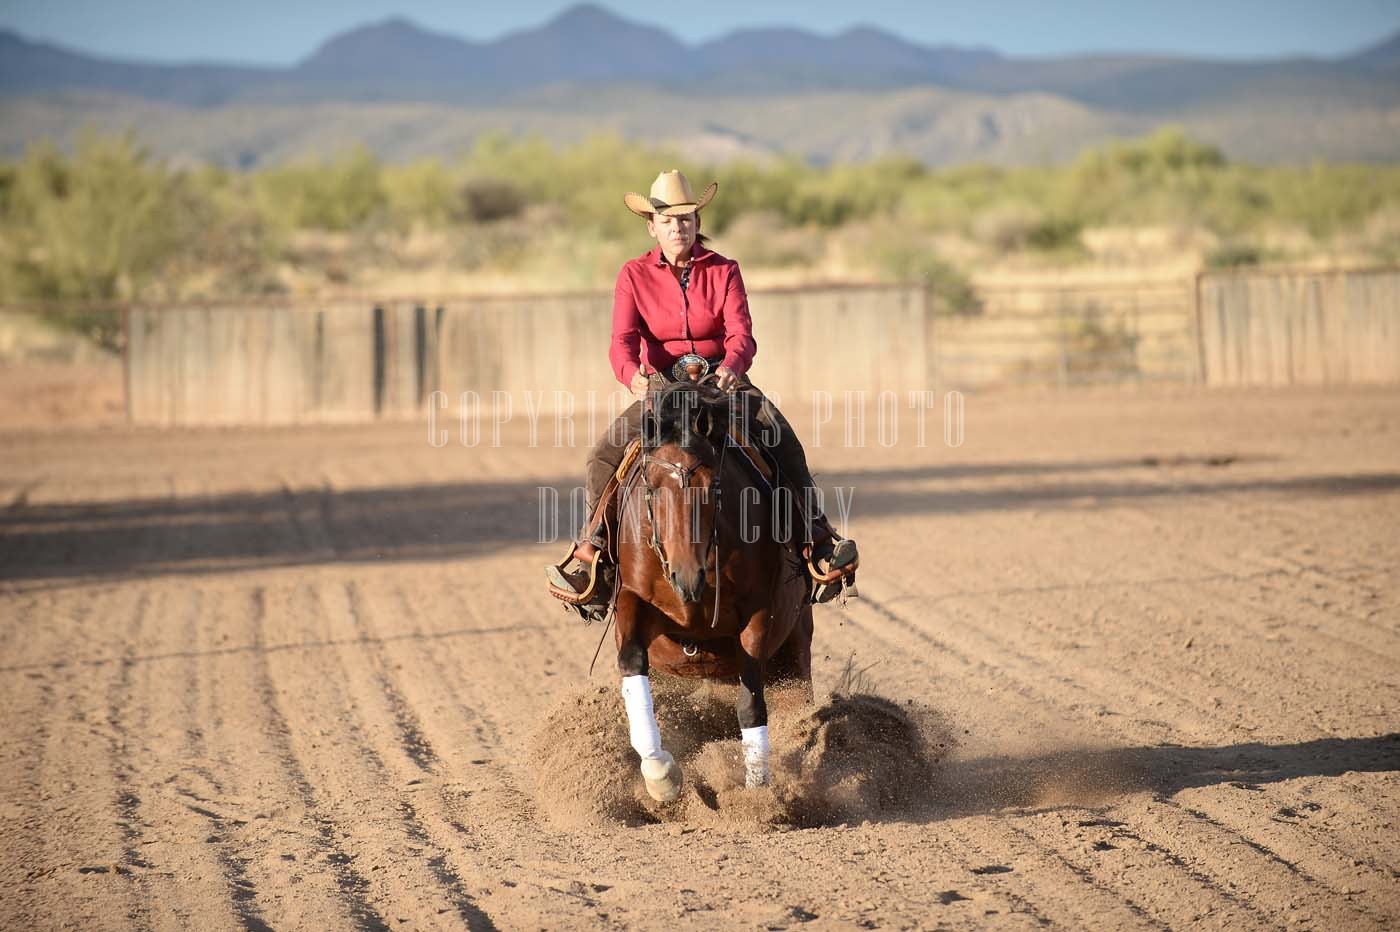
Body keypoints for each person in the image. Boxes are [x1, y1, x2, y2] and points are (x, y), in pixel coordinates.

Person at [545, 170, 858, 617]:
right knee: (602, 455)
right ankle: (593, 556)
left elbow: (741, 334)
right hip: (662, 389)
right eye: (668, 220)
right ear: (652, 227)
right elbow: (621, 342)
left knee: (782, 441)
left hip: (723, 384)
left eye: (686, 219)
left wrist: (732, 367)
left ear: (697, 223)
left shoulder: (725, 270)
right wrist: (632, 376)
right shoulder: (633, 274)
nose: (678, 227)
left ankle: (817, 540)